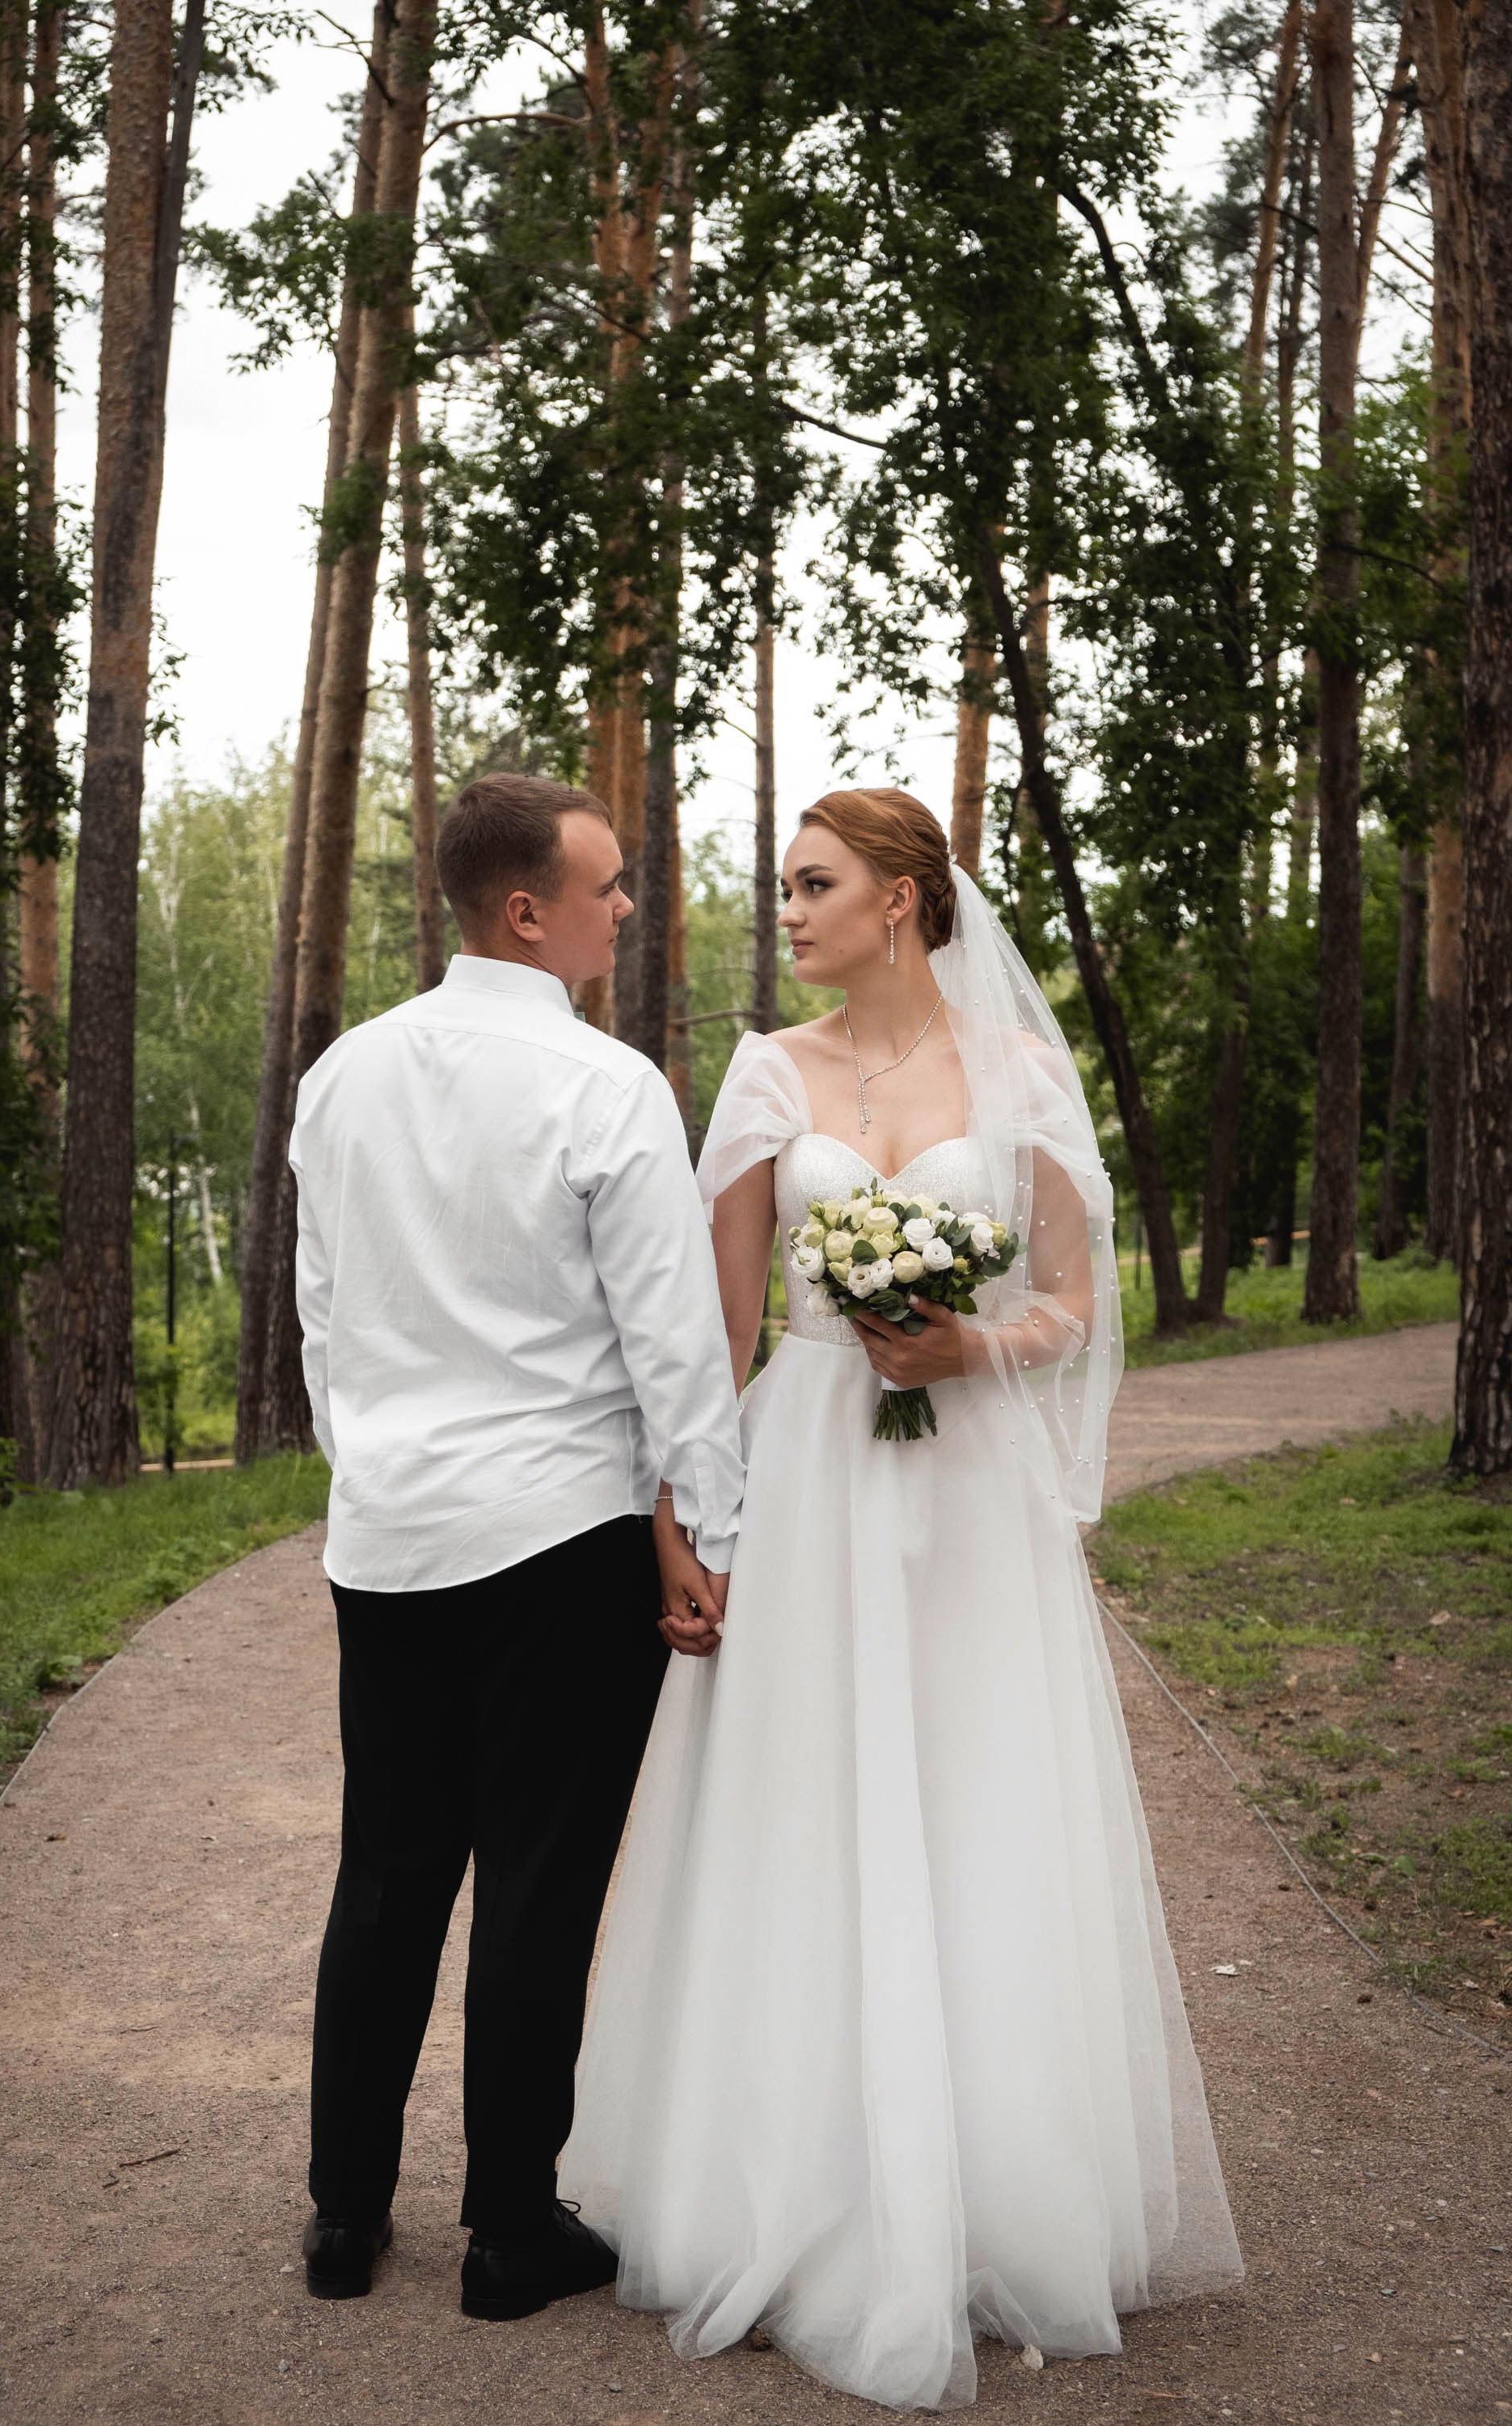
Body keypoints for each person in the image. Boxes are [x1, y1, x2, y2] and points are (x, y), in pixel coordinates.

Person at [560, 787, 1243, 2409]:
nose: (789, 910)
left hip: (966, 1493)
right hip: (803, 1469)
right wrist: (681, 1521)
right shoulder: (763, 1074)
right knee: (798, 1804)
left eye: (815, 884)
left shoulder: (1018, 1075)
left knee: (972, 1797)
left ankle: (992, 2190)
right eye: (786, 886)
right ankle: (790, 2185)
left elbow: (1072, 1299)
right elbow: (714, 1335)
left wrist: (966, 1347)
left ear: (903, 898)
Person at [289, 773, 745, 2319]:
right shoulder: (607, 1086)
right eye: (608, 887)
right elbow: (673, 1343)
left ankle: (344, 2218)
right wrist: (709, 1532)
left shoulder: (344, 1073)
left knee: (388, 1872)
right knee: (540, 1888)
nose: (628, 908)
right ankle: (505, 2234)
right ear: (527, 910)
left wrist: (373, 1472)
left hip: (390, 1535)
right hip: (560, 1538)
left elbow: (325, 1315)